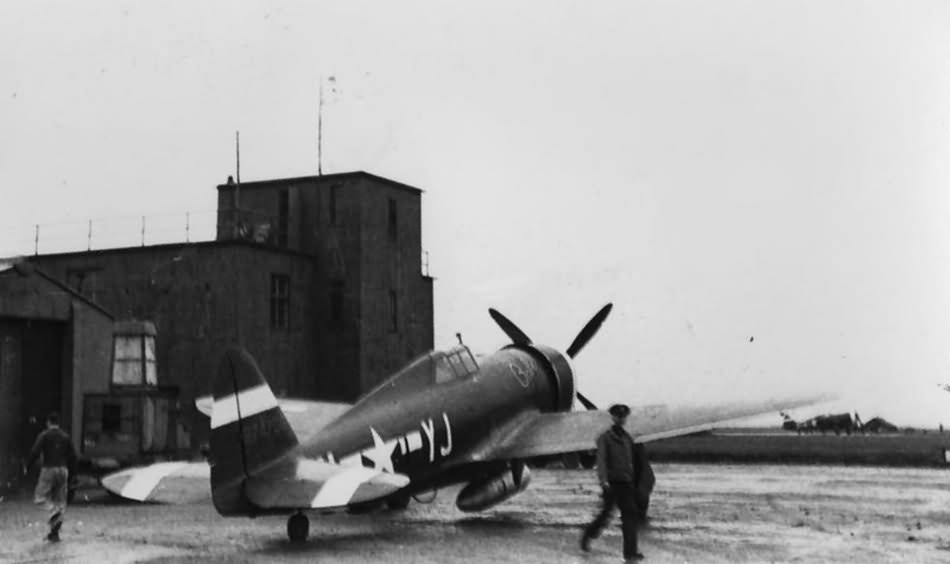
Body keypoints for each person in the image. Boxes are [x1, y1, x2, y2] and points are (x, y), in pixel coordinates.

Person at [580, 403, 645, 561]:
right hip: (612, 483)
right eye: (618, 416)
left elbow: (631, 461)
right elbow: (601, 460)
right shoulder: (605, 438)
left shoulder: (628, 438)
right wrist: (604, 481)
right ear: (613, 418)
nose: (621, 419)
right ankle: (588, 535)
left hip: (626, 482)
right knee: (606, 515)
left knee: (630, 516)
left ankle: (630, 552)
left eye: (623, 417)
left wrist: (633, 480)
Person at [24, 412, 77, 542]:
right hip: (63, 470)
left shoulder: (44, 435)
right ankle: (54, 534)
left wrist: (27, 466)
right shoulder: (66, 436)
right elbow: (73, 456)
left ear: (48, 422)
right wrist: (73, 474)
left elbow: (35, 452)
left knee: (40, 498)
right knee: (60, 501)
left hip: (49, 468)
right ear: (58, 423)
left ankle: (54, 512)